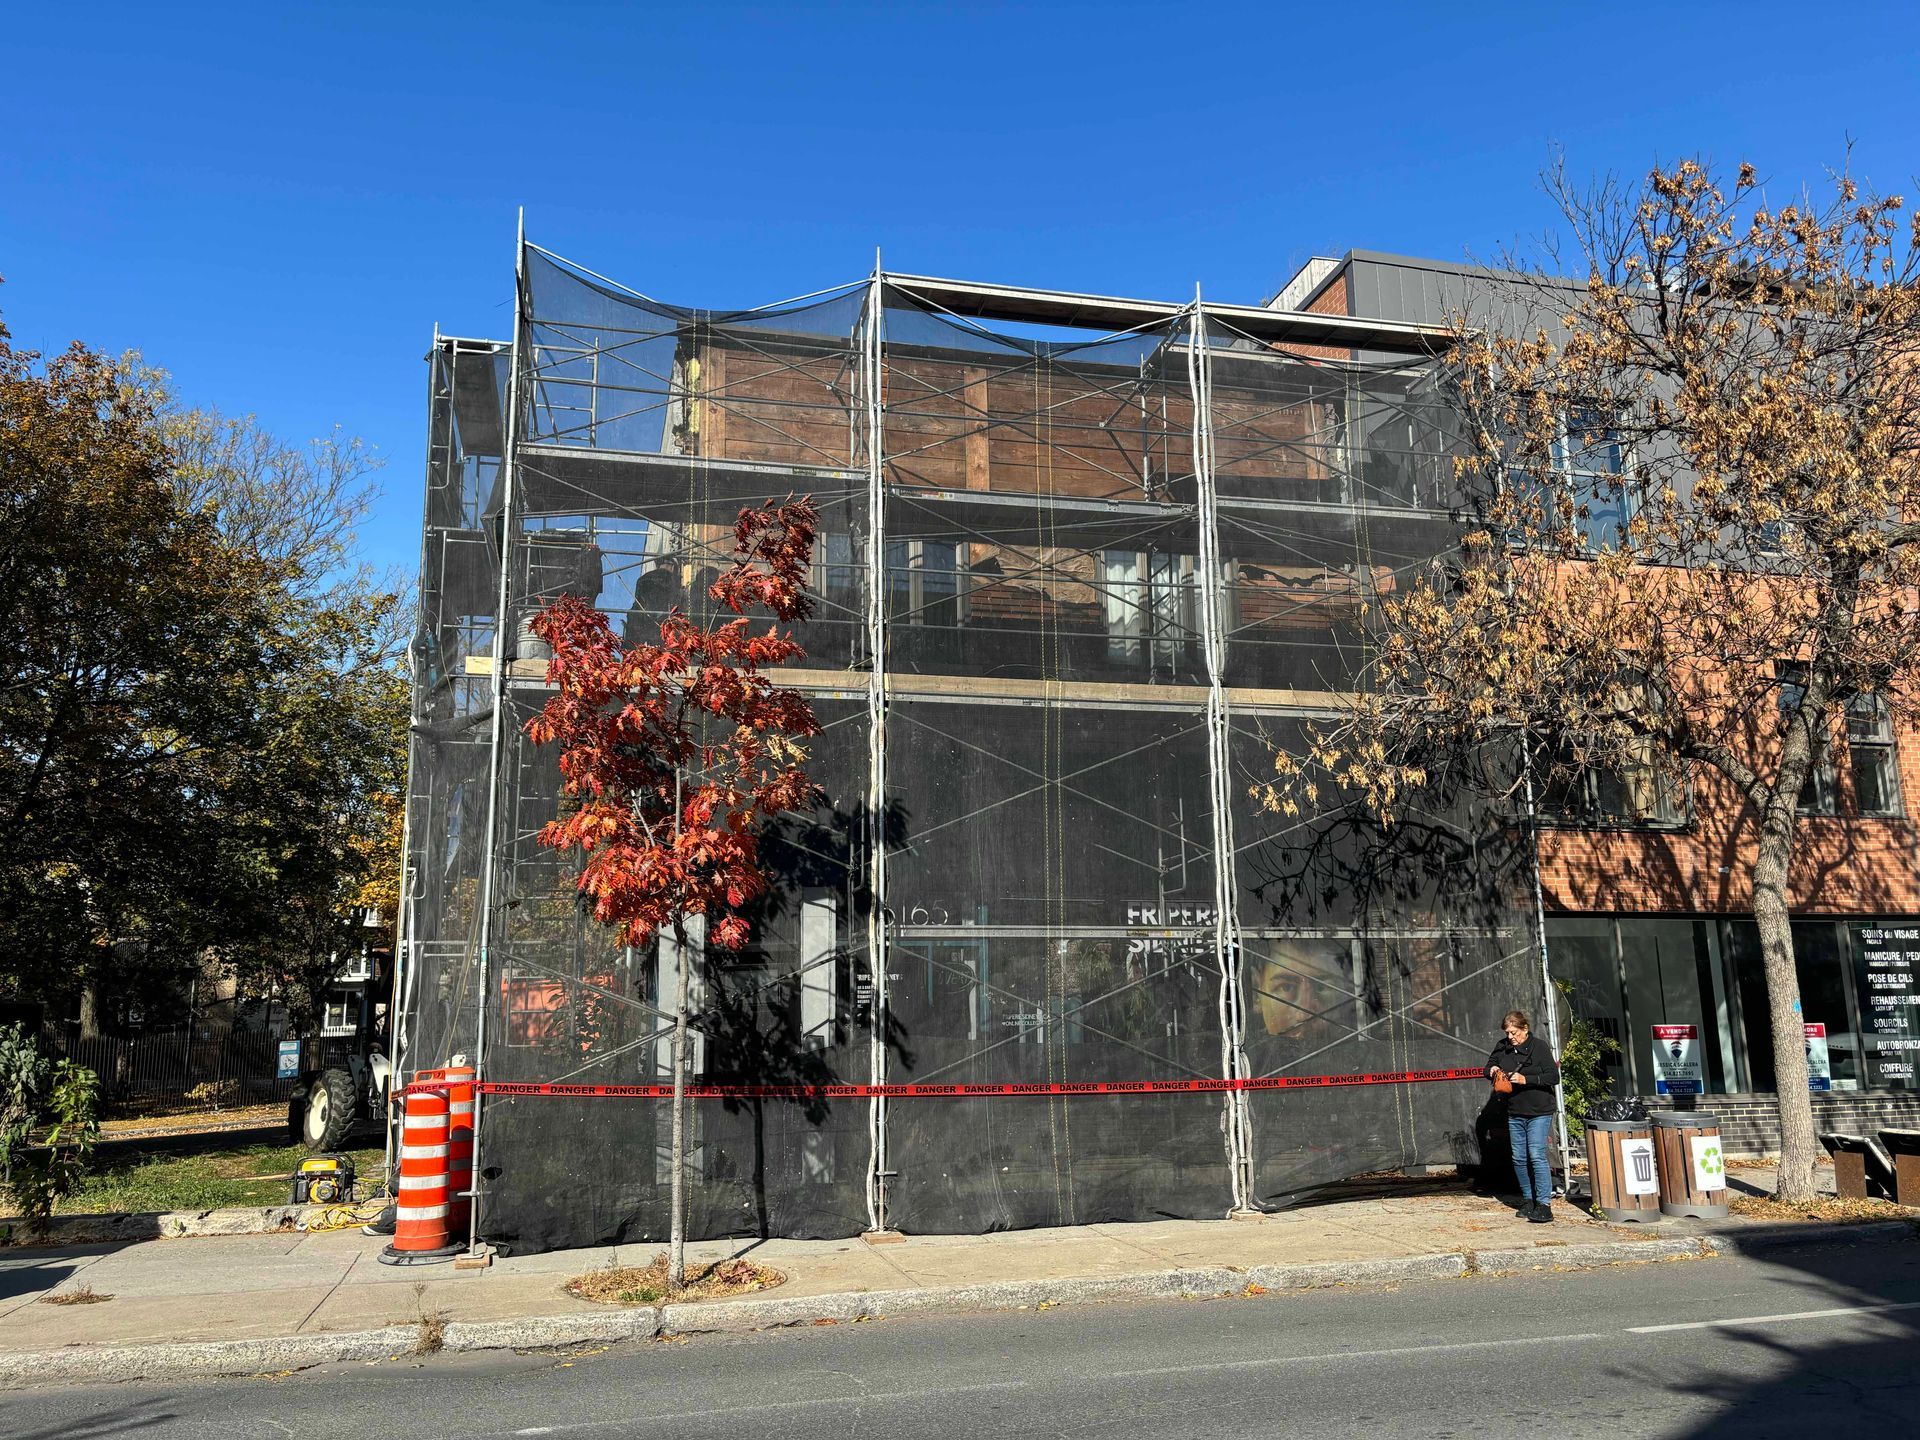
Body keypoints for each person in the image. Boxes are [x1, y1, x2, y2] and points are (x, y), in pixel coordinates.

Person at [1488, 1009, 1560, 1223]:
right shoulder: (1503, 1047)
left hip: (1539, 1110)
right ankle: (1528, 1200)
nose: (1510, 1037)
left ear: (1524, 1029)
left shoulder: (1539, 1047)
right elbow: (1488, 1065)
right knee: (1519, 1157)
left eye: (1513, 1032)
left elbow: (1553, 1076)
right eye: (1507, 1033)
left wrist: (1526, 1079)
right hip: (1515, 1111)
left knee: (1536, 1154)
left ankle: (1544, 1204)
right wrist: (1492, 1069)